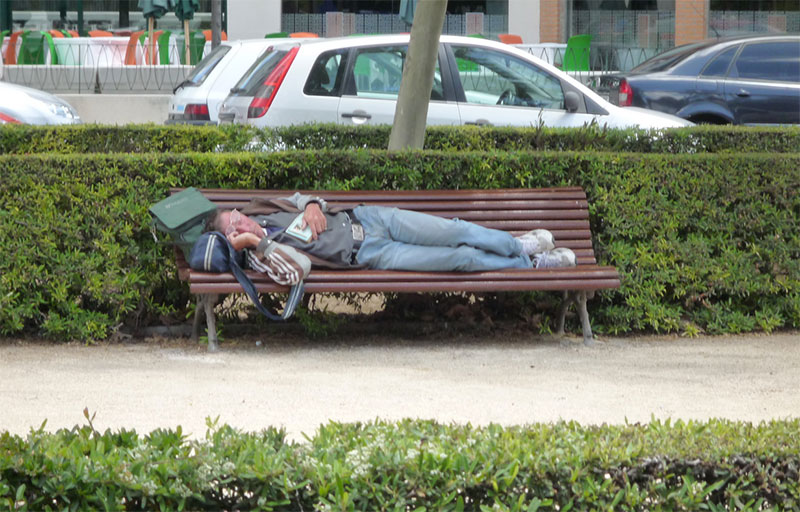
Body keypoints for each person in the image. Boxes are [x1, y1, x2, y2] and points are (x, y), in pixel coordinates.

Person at [208, 192, 575, 273]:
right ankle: (531, 264)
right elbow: (298, 270)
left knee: (453, 231)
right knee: (459, 258)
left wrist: (311, 204)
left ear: (240, 211)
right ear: (234, 241)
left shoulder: (267, 207)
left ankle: (516, 244)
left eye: (235, 217)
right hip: (371, 255)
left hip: (371, 220)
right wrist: (258, 243)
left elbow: (307, 195)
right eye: (233, 231)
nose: (241, 224)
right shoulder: (260, 256)